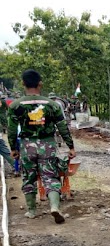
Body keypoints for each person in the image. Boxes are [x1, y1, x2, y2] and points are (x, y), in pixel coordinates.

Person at [8, 69, 76, 223]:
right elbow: (62, 127)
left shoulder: (15, 105)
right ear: (40, 84)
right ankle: (54, 207)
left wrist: (13, 148)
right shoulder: (52, 105)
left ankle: (32, 211)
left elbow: (12, 130)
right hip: (48, 145)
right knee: (50, 176)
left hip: (27, 146)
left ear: (23, 83)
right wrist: (70, 147)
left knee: (29, 177)